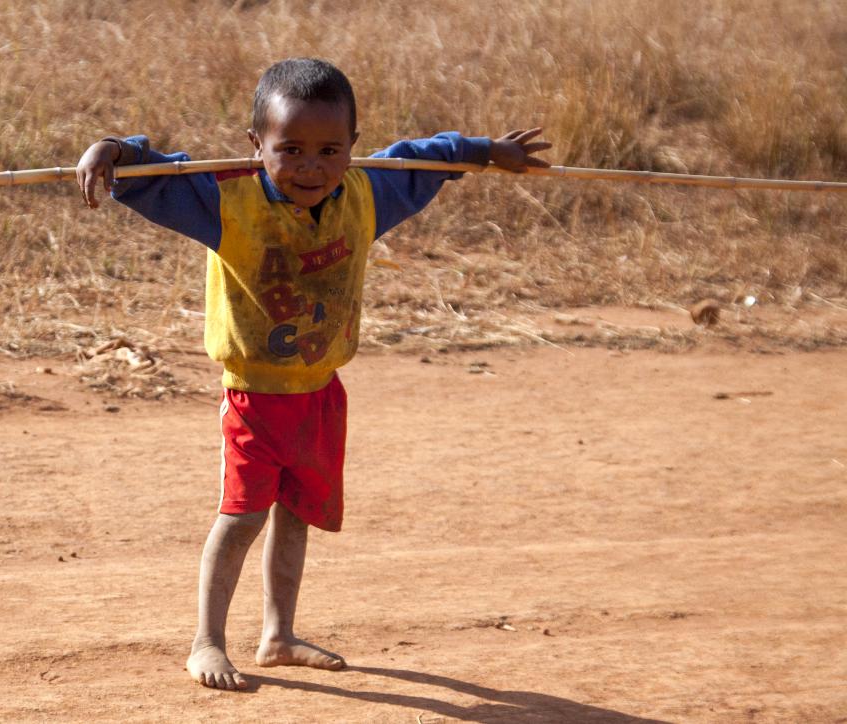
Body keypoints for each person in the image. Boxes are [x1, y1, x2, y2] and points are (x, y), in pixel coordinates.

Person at [75, 57, 550, 691]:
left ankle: (278, 635)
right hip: (254, 398)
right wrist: (113, 150)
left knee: (296, 514)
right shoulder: (225, 199)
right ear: (256, 146)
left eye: (330, 150)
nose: (310, 167)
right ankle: (206, 642)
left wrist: (486, 152)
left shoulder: (367, 192)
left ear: (354, 148)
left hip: (321, 393)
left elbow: (421, 159)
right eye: (289, 149)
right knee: (243, 517)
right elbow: (154, 172)